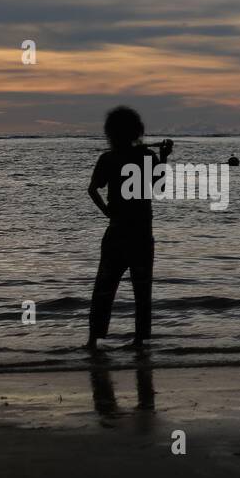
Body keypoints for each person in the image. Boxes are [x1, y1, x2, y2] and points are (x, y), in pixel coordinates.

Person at [86, 106, 173, 351]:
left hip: (117, 231)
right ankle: (139, 340)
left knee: (104, 288)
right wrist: (164, 157)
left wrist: (108, 213)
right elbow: (160, 189)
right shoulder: (146, 156)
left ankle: (93, 340)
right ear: (136, 131)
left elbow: (93, 190)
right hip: (142, 234)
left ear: (110, 132)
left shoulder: (108, 159)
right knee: (142, 290)